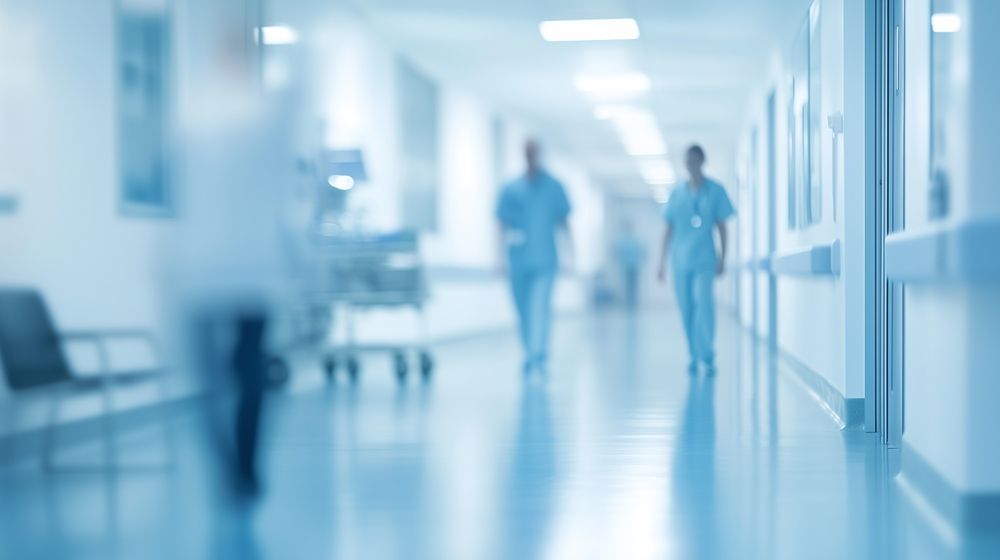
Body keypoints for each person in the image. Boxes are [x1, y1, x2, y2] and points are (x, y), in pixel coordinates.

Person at [496, 140, 573, 377]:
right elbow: (501, 224)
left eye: (534, 153)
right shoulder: (511, 188)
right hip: (517, 260)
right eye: (526, 153)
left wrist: (571, 255)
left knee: (540, 307)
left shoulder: (554, 187)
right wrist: (498, 258)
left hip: (545, 259)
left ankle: (537, 354)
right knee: (522, 310)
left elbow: (564, 223)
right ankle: (530, 351)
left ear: (540, 154)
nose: (530, 157)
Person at [656, 145, 735, 375]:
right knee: (686, 307)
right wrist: (660, 262)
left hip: (705, 259)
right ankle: (692, 352)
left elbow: (722, 227)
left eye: (694, 160)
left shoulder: (716, 190)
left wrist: (723, 257)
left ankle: (707, 353)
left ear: (702, 161)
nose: (691, 165)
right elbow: (667, 230)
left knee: (704, 303)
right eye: (687, 161)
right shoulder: (676, 193)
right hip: (679, 260)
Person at [614, 220, 646, 310]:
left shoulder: (634, 239)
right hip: (627, 266)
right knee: (628, 285)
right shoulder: (623, 239)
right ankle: (629, 302)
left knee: (633, 285)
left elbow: (642, 252)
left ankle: (632, 302)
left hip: (633, 265)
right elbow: (616, 251)